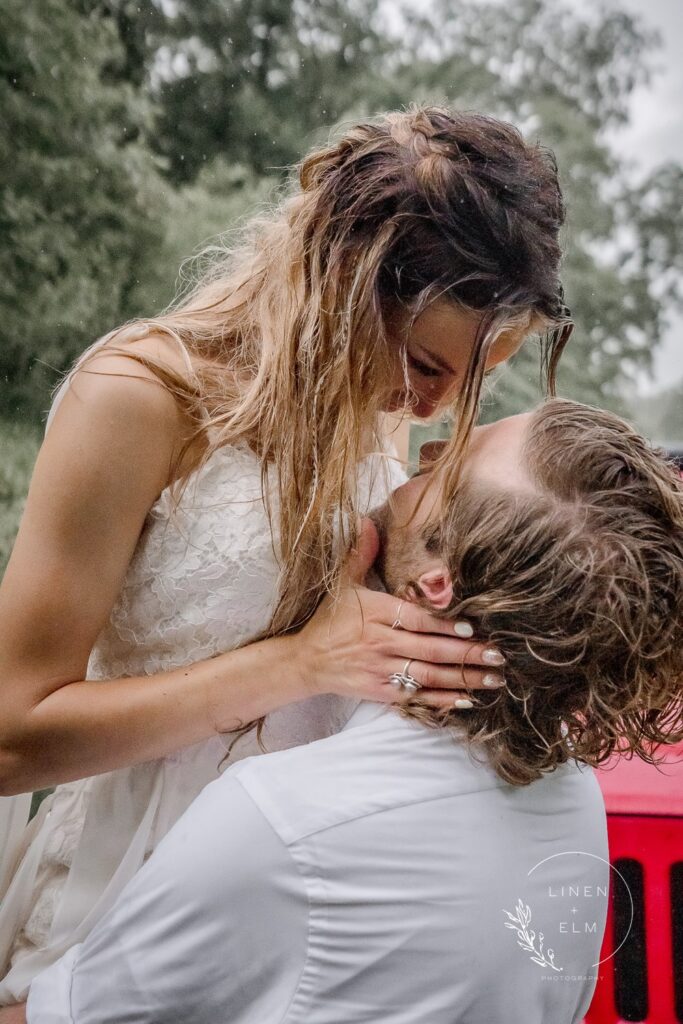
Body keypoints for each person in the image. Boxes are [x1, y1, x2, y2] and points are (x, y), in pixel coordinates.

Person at [0, 103, 572, 1004]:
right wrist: (298, 665)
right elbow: (10, 738)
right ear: (339, 278)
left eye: (474, 376)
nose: (430, 411)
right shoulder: (140, 397)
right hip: (122, 903)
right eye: (425, 364)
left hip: (312, 923)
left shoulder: (374, 409)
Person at [16, 398, 683, 1024]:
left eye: (451, 465)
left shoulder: (283, 818)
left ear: (436, 583)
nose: (428, 448)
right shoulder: (572, 806)